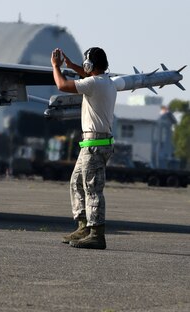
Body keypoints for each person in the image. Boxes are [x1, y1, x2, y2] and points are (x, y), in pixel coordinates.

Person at [51, 46, 116, 250]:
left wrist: (56, 66)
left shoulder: (93, 84)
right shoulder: (107, 82)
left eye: (85, 64)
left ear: (90, 66)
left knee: (92, 189)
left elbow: (62, 85)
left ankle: (96, 233)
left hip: (94, 145)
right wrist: (71, 65)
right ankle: (84, 227)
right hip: (94, 143)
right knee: (76, 182)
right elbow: (87, 76)